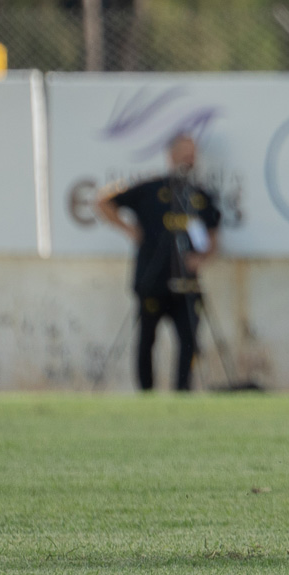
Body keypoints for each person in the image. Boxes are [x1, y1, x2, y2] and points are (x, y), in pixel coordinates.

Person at [94, 132, 222, 393]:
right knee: (146, 340)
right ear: (171, 156)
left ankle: (182, 392)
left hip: (187, 284)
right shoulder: (151, 189)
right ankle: (146, 393)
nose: (189, 158)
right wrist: (130, 231)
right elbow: (103, 200)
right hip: (152, 280)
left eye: (193, 153)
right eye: (184, 152)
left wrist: (201, 258)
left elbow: (213, 236)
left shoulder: (199, 195)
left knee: (188, 341)